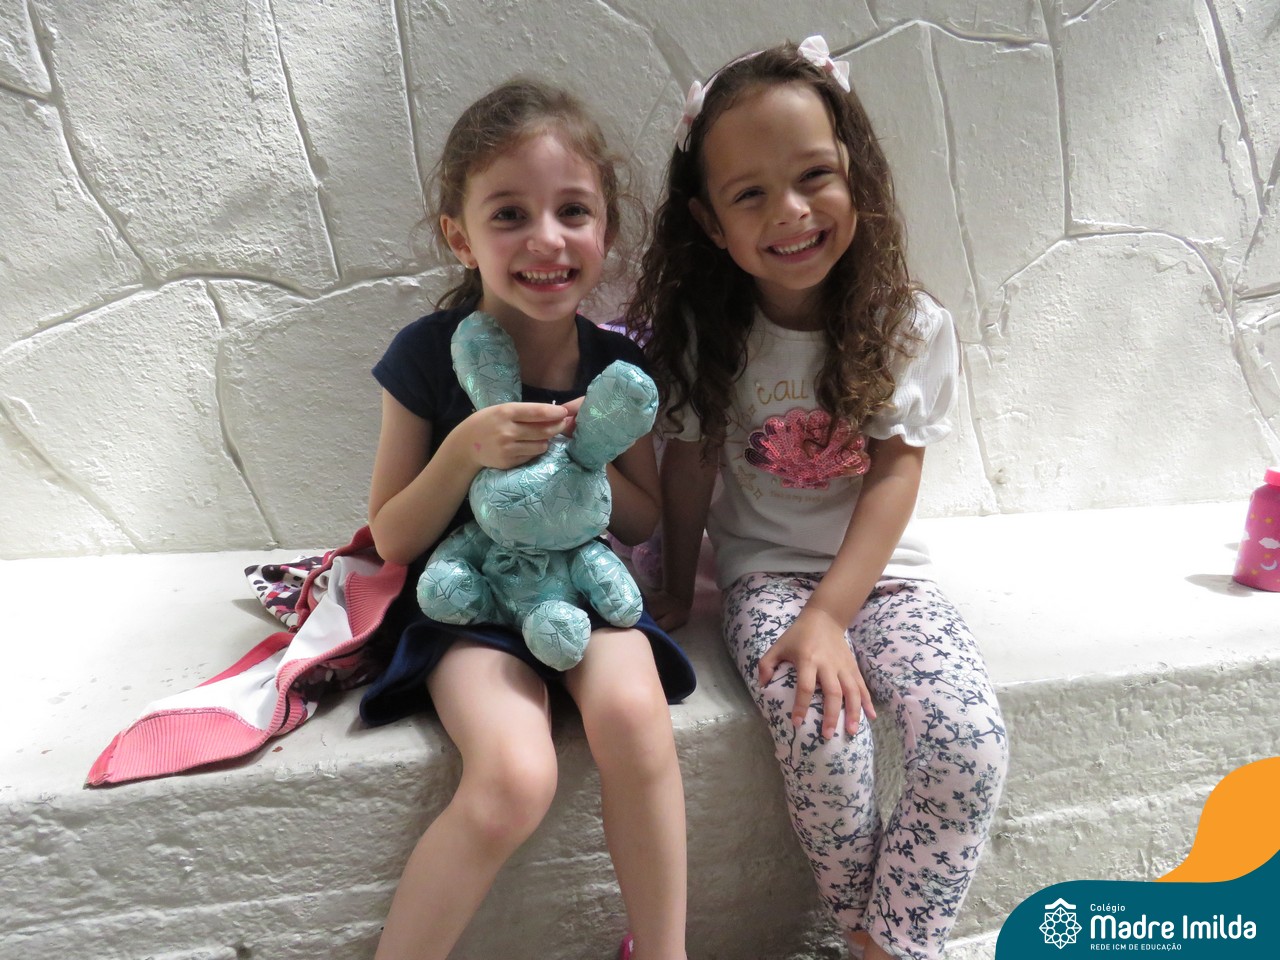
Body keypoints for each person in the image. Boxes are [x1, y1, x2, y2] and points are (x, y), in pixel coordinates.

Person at [625, 37, 1008, 960]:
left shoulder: (906, 324)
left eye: (813, 177)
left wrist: (836, 613)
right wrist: (676, 582)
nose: (790, 212)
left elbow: (895, 473)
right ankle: (864, 937)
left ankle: (887, 947)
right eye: (750, 193)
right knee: (823, 739)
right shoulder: (705, 331)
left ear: (855, 175)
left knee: (967, 740)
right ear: (710, 222)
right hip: (768, 580)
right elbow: (690, 463)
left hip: (887, 579)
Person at [362, 78, 695, 960]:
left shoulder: (615, 366)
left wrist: (593, 452)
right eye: (510, 214)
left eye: (573, 211)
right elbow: (393, 537)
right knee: (514, 776)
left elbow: (639, 520)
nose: (546, 238)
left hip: (581, 590)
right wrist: (463, 450)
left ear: (606, 231)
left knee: (634, 716)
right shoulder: (426, 355)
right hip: (467, 599)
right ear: (460, 237)